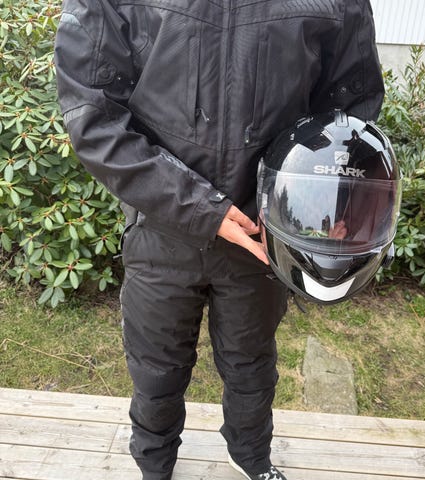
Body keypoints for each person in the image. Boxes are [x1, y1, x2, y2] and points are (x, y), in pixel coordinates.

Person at [54, 1, 384, 478]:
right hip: (162, 227)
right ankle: (154, 464)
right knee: (156, 368)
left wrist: (334, 202)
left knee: (252, 363)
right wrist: (199, 207)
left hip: (261, 231)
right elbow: (94, 115)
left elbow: (348, 111)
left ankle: (250, 456)